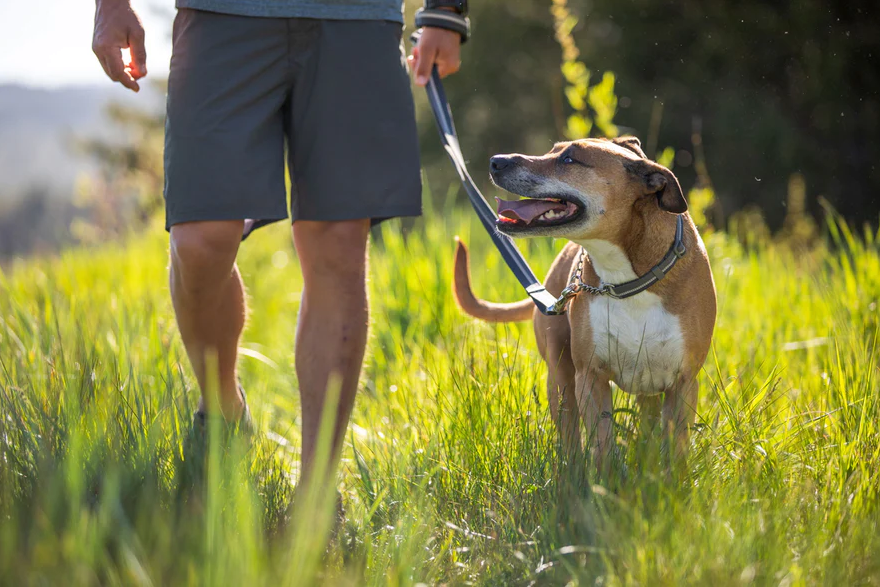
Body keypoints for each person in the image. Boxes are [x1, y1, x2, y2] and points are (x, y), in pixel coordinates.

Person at [91, 0, 469, 490]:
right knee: (200, 239)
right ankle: (222, 410)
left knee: (339, 246)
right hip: (221, 15)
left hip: (357, 19)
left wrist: (445, 9)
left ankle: (316, 497)